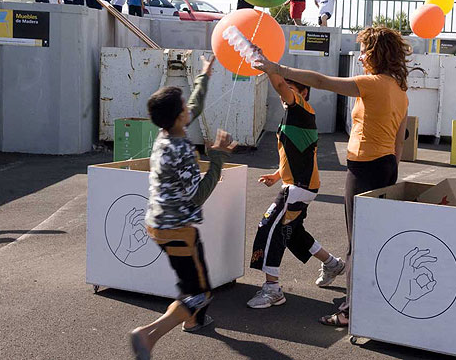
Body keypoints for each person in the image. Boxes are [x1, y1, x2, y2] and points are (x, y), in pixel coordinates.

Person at [252, 26, 410, 327]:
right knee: (373, 238)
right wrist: (390, 174)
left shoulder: (371, 83)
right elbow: (399, 142)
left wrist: (276, 68)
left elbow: (323, 81)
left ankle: (351, 310)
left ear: (377, 53)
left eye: (364, 50)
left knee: (357, 242)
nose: (361, 56)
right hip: (386, 165)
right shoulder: (400, 91)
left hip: (365, 168)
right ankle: (370, 299)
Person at [130, 55, 237, 360]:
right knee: (199, 293)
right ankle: (149, 334)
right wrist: (217, 156)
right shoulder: (182, 151)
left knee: (192, 278)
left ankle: (194, 321)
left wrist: (204, 75)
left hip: (158, 224)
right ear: (178, 119)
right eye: (184, 111)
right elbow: (198, 195)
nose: (189, 112)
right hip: (178, 230)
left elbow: (194, 106)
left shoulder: (165, 136)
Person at [247, 72, 345, 309]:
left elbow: (279, 83)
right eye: (286, 89)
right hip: (299, 184)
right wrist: (276, 174)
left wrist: (270, 67)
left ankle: (272, 289)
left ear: (303, 93)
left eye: (290, 89)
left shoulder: (301, 108)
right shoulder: (293, 115)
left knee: (268, 227)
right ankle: (333, 264)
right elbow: (296, 154)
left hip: (299, 186)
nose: (284, 93)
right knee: (293, 233)